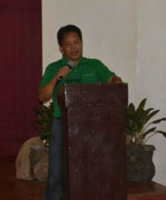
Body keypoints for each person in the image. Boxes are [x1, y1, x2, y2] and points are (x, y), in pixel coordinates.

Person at [38, 24, 122, 200]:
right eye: (68, 44)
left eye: (76, 42)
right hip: (61, 125)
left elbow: (113, 80)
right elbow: (42, 97)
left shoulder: (94, 66)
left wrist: (116, 81)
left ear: (82, 43)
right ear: (61, 48)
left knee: (89, 171)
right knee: (57, 173)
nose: (73, 47)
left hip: (91, 128)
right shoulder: (54, 68)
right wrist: (57, 77)